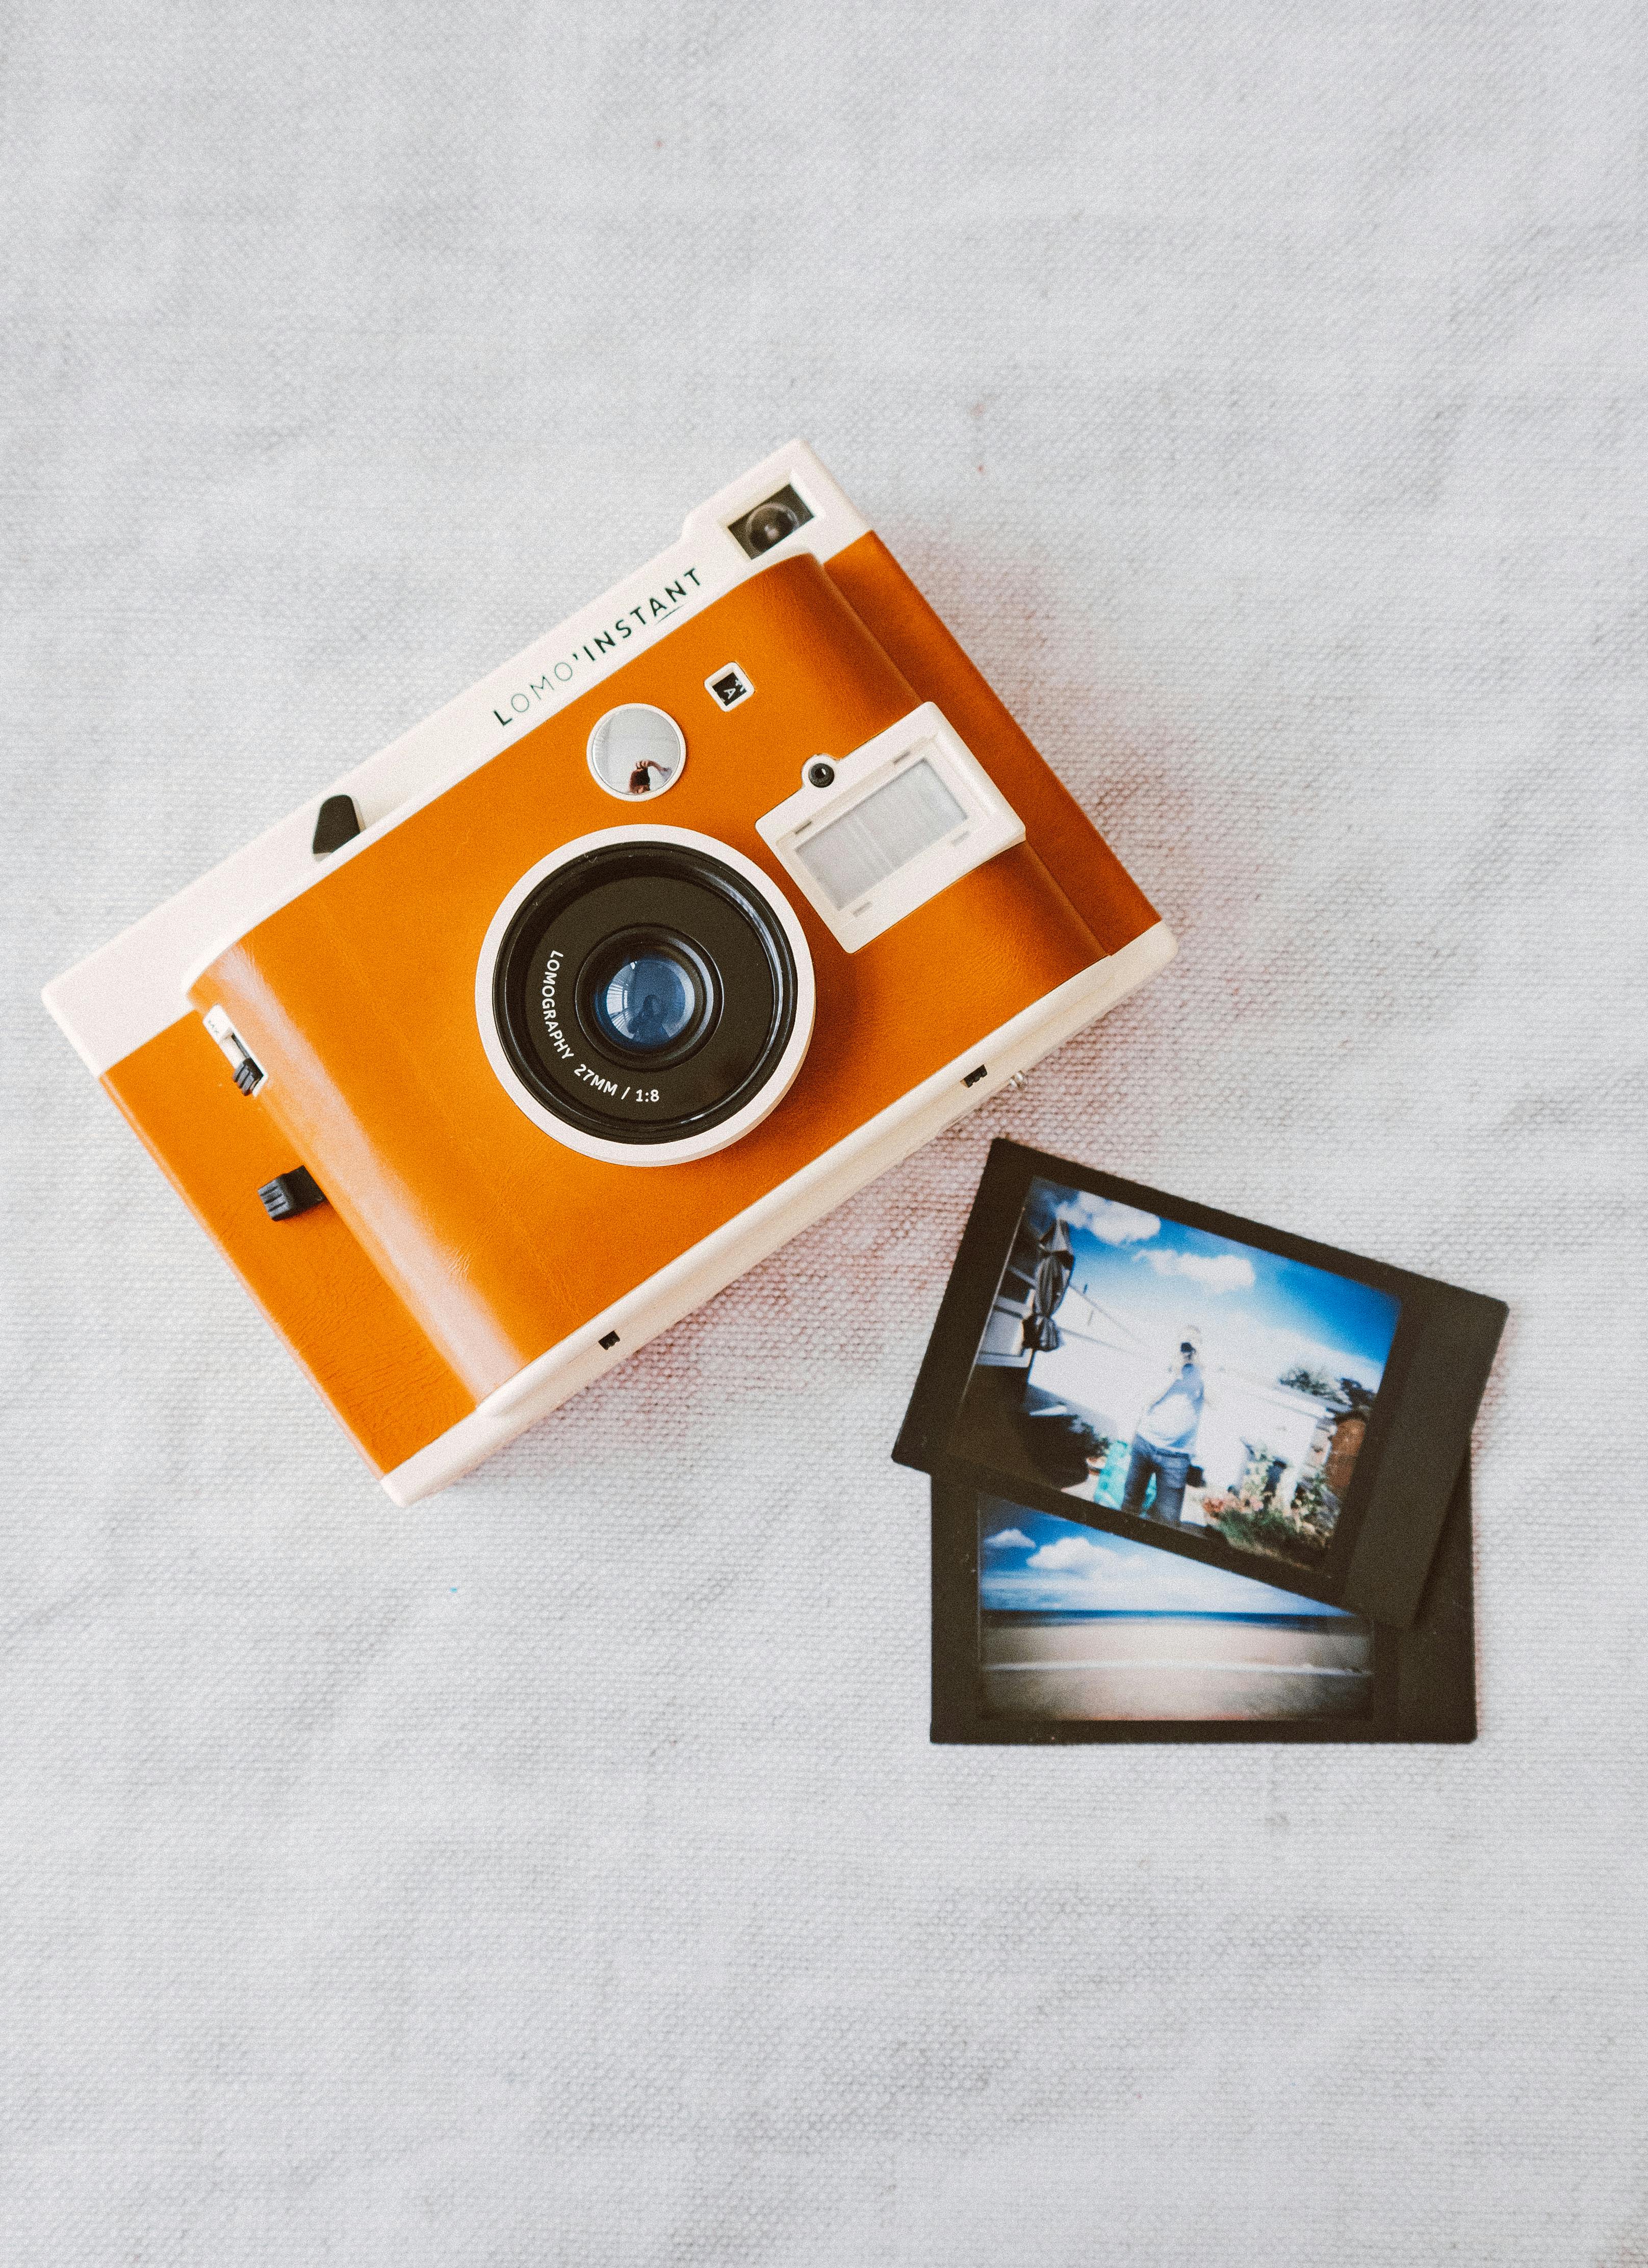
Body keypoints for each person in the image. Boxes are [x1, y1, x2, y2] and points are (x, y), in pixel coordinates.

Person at [1120, 1331, 1206, 1527]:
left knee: (1167, 1520)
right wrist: (1175, 1371)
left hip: (1177, 1458)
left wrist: (1202, 1363)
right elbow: (1147, 1400)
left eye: (1193, 1344)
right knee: (1130, 1505)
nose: (1188, 1349)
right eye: (1185, 1342)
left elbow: (1217, 1402)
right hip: (1144, 1445)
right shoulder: (1164, 1364)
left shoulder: (1204, 1374)